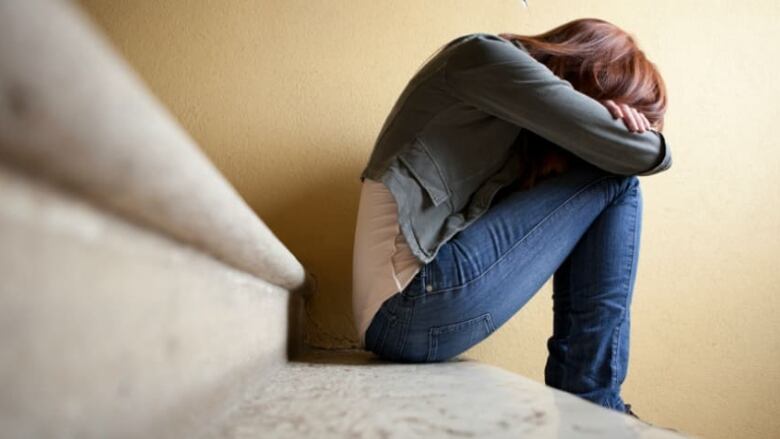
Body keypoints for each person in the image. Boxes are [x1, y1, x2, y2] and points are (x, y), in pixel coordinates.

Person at [351, 18, 671, 417]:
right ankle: (591, 400)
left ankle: (587, 397)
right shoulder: (481, 56)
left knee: (605, 176)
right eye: (623, 107)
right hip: (407, 306)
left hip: (407, 315)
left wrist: (594, 128)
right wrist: (615, 129)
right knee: (617, 181)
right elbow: (644, 156)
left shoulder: (510, 123)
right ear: (594, 72)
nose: (623, 121)